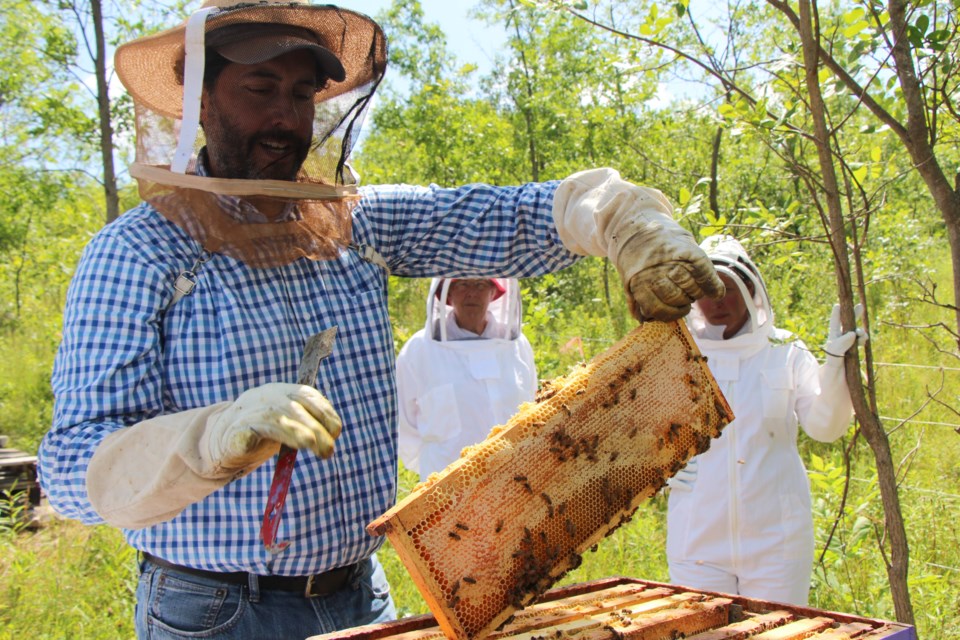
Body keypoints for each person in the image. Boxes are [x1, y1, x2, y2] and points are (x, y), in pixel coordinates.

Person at [36, 1, 725, 638]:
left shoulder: (354, 221)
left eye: (301, 94)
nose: (285, 115)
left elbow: (511, 214)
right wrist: (210, 436)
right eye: (259, 88)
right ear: (201, 99)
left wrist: (626, 222)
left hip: (358, 593)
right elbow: (70, 469)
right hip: (215, 607)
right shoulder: (138, 252)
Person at [666, 235, 867, 605]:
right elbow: (644, 438)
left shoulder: (784, 350)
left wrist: (837, 367)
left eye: (727, 289)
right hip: (696, 538)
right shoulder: (678, 356)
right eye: (707, 292)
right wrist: (661, 469)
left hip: (776, 539)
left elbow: (826, 426)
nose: (717, 302)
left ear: (750, 290)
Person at [396, 277, 536, 481]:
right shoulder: (418, 349)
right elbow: (403, 424)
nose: (472, 292)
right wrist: (434, 469)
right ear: (448, 293)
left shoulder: (517, 345)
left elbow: (530, 406)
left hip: (515, 481)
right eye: (462, 284)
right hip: (448, 489)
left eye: (480, 284)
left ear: (493, 293)